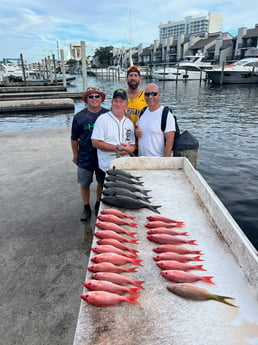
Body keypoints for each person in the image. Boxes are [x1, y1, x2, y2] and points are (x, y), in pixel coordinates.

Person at [71, 86, 109, 221]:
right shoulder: (79, 117)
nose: (94, 99)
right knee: (84, 183)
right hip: (85, 156)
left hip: (102, 155)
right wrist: (75, 154)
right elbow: (74, 138)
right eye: (91, 96)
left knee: (101, 182)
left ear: (102, 99)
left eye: (97, 96)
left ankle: (99, 202)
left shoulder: (108, 115)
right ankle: (86, 207)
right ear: (86, 99)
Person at [91, 89, 135, 173]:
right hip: (107, 167)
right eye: (116, 101)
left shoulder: (129, 123)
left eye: (121, 101)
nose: (118, 104)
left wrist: (130, 149)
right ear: (112, 102)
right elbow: (95, 142)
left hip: (125, 167)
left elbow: (133, 145)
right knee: (102, 185)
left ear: (126, 104)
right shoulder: (102, 119)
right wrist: (118, 148)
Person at [135, 83, 176, 157]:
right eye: (147, 94)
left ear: (159, 95)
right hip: (141, 160)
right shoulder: (142, 112)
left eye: (154, 94)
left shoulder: (166, 115)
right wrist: (136, 132)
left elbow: (170, 142)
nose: (150, 97)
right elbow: (138, 130)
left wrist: (164, 162)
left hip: (157, 161)